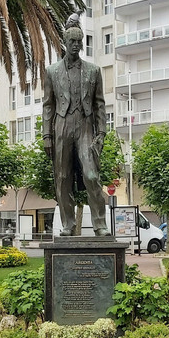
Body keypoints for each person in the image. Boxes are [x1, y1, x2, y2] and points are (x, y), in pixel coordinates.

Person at [42, 13, 109, 236]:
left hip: (86, 126)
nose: (76, 45)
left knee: (91, 175)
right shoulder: (52, 71)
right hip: (61, 126)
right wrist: (47, 136)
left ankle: (100, 224)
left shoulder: (93, 71)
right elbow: (48, 106)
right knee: (62, 178)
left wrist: (102, 132)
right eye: (72, 41)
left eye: (79, 41)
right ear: (65, 41)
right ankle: (68, 225)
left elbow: (100, 104)